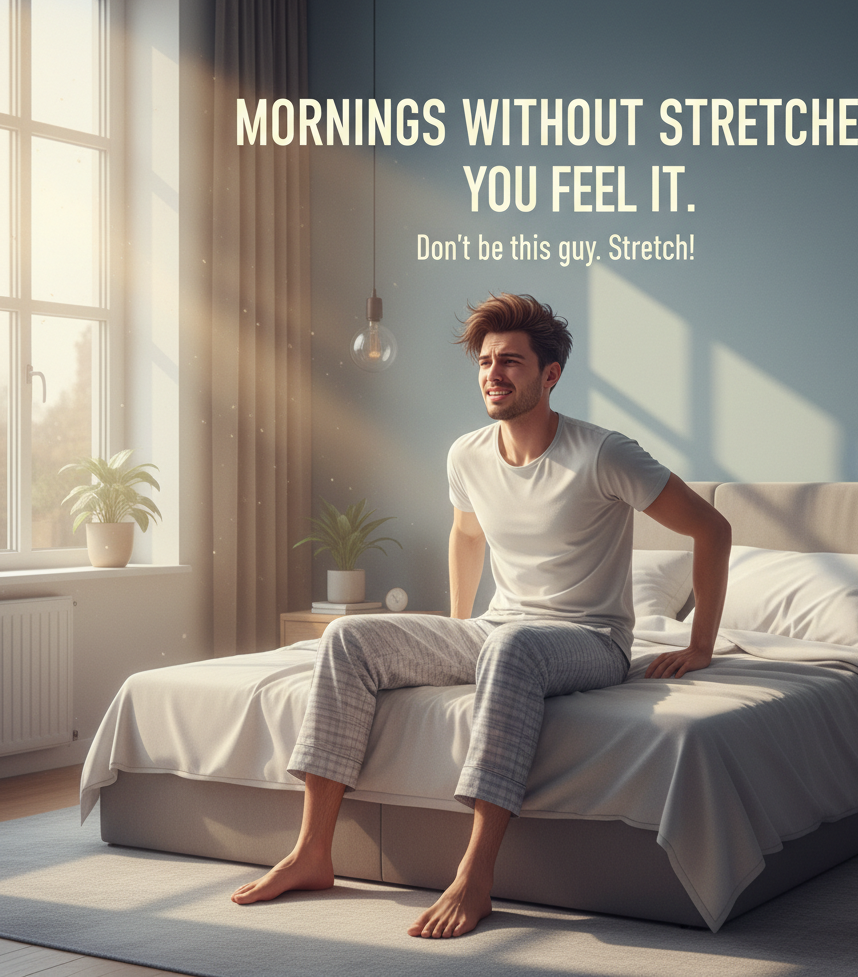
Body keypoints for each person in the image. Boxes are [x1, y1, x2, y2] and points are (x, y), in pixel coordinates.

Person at [231, 293, 731, 938]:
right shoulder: (466, 453)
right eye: (487, 361)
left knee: (511, 651)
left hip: (590, 639)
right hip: (497, 629)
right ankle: (312, 852)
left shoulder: (605, 453)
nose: (495, 373)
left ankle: (475, 874)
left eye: (513, 362)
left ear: (550, 376)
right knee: (349, 636)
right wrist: (453, 627)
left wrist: (701, 645)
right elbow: (467, 536)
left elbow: (712, 529)